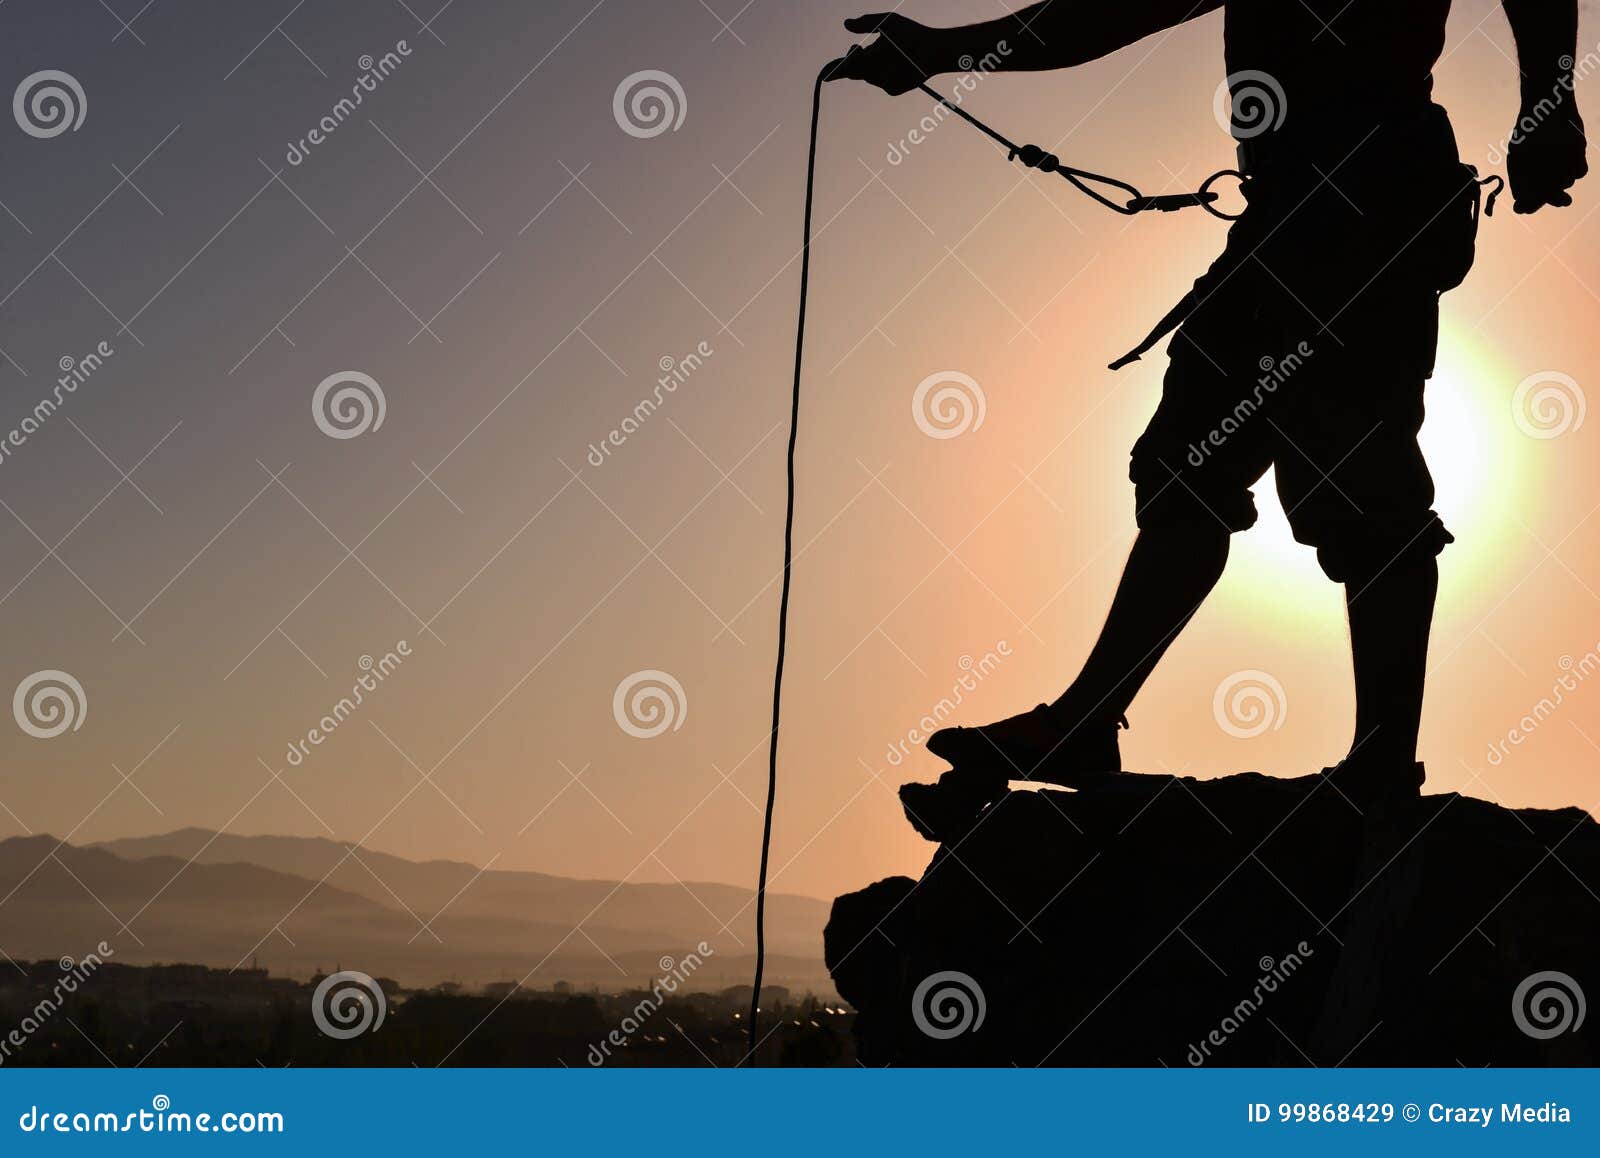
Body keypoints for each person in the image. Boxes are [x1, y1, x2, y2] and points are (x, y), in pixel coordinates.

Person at [832, 2, 1587, 840]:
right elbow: (1110, 12)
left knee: (1358, 489)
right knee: (1189, 466)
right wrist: (942, 50)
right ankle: (1088, 723)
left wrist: (1550, 104)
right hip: (1289, 214)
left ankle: (1380, 763)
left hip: (1372, 202)